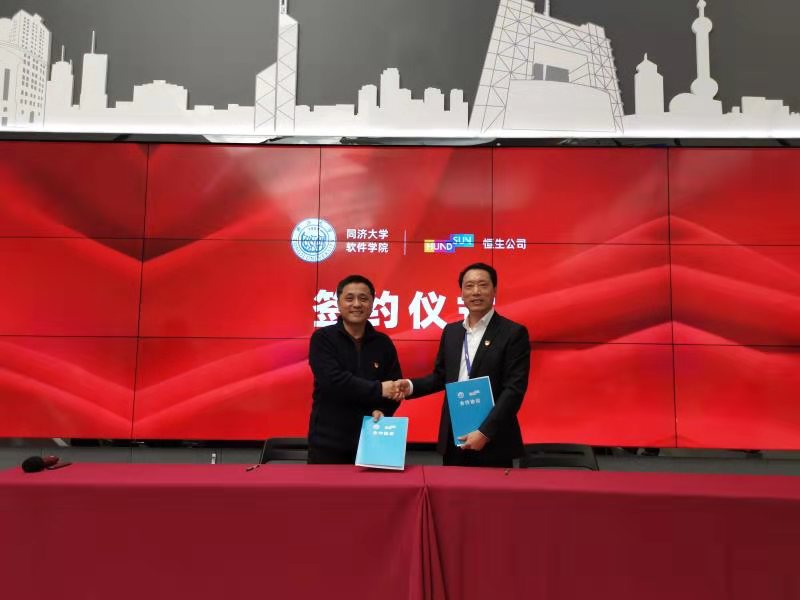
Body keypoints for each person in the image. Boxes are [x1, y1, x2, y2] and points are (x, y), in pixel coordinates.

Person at [396, 263, 530, 468]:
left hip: (494, 439)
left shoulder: (513, 333)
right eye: (469, 286)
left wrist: (485, 432)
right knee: (451, 488)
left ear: (494, 290)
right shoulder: (452, 332)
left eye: (483, 285)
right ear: (461, 293)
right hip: (454, 435)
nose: (476, 291)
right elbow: (441, 376)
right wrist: (411, 386)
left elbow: (514, 389)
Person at [307, 274, 402, 464]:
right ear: (338, 303)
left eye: (363, 298)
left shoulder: (383, 343)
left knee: (376, 484)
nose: (357, 304)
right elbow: (333, 381)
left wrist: (383, 410)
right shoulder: (322, 338)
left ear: (372, 303)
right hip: (328, 442)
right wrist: (378, 389)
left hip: (373, 438)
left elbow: (394, 386)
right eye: (349, 298)